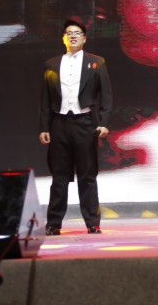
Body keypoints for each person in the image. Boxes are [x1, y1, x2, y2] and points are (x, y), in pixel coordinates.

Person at [39, 19, 113, 235]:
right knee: (59, 177)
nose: (73, 36)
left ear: (84, 38)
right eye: (69, 33)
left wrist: (104, 123)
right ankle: (54, 223)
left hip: (85, 123)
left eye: (77, 33)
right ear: (63, 38)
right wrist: (44, 127)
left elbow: (106, 95)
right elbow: (45, 100)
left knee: (87, 175)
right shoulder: (51, 64)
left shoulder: (96, 62)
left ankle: (93, 222)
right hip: (59, 124)